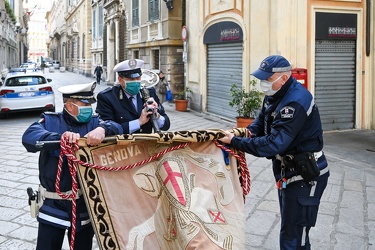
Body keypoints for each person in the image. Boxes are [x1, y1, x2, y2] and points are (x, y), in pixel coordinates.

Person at [219, 55, 329, 250]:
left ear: (283, 78)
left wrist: (237, 142)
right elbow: (260, 123)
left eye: (267, 79)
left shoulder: (295, 102)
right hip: (288, 171)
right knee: (289, 227)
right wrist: (245, 132)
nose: (263, 83)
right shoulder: (275, 95)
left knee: (295, 234)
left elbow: (274, 143)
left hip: (305, 175)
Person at [22, 82, 123, 250]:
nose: (89, 108)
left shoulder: (95, 122)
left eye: (90, 104)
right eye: (85, 105)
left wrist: (104, 129)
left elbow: (117, 127)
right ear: (70, 105)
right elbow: (29, 137)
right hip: (53, 204)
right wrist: (59, 138)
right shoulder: (49, 120)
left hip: (84, 204)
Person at [96, 59, 171, 134]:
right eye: (130, 79)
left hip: (146, 143)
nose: (135, 81)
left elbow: (166, 125)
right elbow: (108, 130)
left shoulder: (149, 92)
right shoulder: (107, 97)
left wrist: (156, 116)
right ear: (120, 80)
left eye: (138, 78)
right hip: (122, 144)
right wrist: (139, 122)